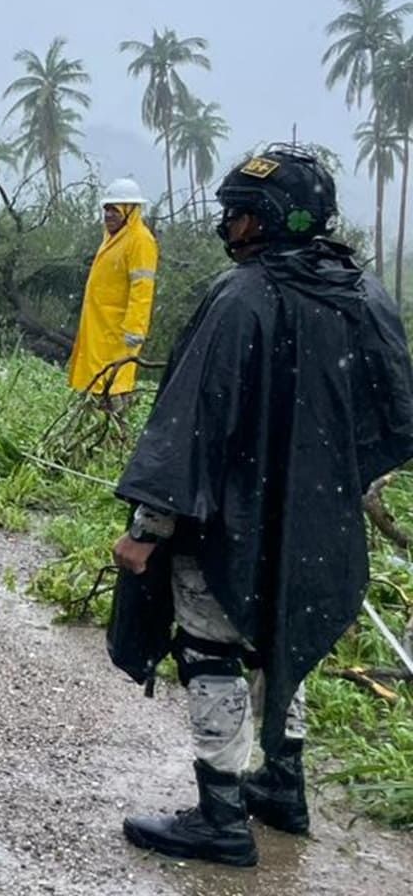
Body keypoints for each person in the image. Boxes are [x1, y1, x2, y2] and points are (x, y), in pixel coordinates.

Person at [108, 146, 413, 867]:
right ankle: (281, 786)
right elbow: (393, 418)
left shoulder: (239, 297)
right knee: (284, 642)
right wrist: (332, 484)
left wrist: (147, 530)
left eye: (238, 213)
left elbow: (191, 423)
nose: (230, 226)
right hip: (317, 526)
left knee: (213, 650)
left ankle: (219, 817)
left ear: (265, 219)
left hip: (230, 520)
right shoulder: (365, 295)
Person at [65, 178, 158, 407]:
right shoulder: (113, 237)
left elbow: (142, 289)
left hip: (118, 331)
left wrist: (135, 329)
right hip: (99, 326)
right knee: (95, 383)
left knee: (113, 386)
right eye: (106, 209)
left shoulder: (141, 241)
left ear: (130, 211)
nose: (108, 215)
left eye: (114, 210)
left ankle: (115, 435)